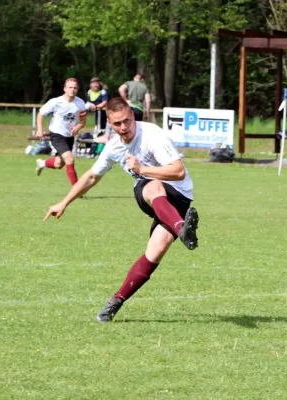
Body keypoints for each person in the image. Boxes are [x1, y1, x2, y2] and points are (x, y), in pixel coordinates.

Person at [43, 97, 199, 323]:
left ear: (133, 116)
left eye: (126, 121)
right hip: (152, 194)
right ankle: (182, 227)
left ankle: (115, 301)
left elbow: (178, 172)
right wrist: (64, 202)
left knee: (156, 250)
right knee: (150, 185)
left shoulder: (152, 134)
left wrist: (142, 168)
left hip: (179, 196)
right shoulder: (114, 147)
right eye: (117, 124)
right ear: (110, 123)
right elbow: (91, 177)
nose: (124, 127)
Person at [35, 78, 87, 186]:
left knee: (59, 163)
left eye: (75, 88)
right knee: (70, 159)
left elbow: (83, 121)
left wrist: (78, 127)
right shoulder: (55, 102)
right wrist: (40, 130)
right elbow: (40, 114)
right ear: (65, 89)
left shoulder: (80, 103)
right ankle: (77, 189)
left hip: (69, 136)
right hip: (57, 135)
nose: (72, 90)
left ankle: (42, 163)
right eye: (70, 87)